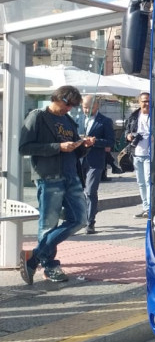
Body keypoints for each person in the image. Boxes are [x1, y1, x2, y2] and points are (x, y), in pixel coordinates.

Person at [18, 85, 96, 284]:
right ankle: (50, 266)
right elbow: (24, 147)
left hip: (71, 176)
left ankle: (34, 257)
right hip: (49, 176)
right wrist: (57, 147)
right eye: (67, 104)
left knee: (79, 219)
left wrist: (83, 146)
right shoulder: (38, 116)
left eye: (72, 106)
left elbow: (74, 152)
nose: (68, 109)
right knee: (48, 225)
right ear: (58, 97)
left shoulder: (68, 121)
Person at [78, 94, 117, 234]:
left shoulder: (105, 121)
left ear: (97, 106)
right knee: (78, 192)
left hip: (96, 161)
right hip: (79, 160)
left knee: (90, 191)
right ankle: (79, 218)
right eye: (84, 107)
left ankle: (90, 222)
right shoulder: (79, 119)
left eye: (89, 107)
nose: (86, 110)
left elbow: (111, 142)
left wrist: (96, 142)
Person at [125, 92, 151, 219]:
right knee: (141, 182)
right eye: (144, 101)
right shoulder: (134, 116)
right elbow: (127, 130)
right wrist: (128, 136)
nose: (146, 104)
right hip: (136, 153)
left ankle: (150, 208)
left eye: (148, 101)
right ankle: (145, 207)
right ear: (139, 102)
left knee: (148, 180)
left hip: (150, 153)